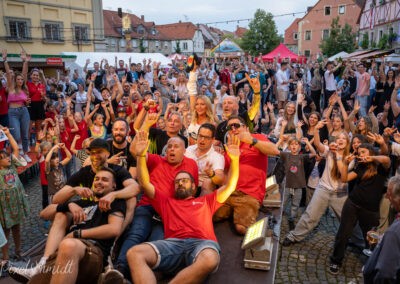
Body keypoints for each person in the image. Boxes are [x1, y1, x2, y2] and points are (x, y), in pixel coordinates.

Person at [126, 130, 240, 284]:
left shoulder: (205, 201)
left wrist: (235, 160)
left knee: (210, 258)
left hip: (202, 243)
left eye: (185, 180)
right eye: (177, 182)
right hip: (172, 244)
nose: (180, 183)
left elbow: (230, 186)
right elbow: (145, 183)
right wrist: (140, 157)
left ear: (194, 187)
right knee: (134, 253)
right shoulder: (166, 202)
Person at [9, 167, 126, 284]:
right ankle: (42, 264)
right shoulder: (82, 203)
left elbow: (114, 229)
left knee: (68, 245)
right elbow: (44, 213)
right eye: (97, 179)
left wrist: (76, 234)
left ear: (114, 186)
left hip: (92, 252)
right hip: (62, 255)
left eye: (105, 180)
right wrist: (68, 205)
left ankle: (101, 275)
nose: (99, 182)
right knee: (61, 214)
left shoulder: (114, 202)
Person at [112, 136, 198, 279]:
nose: (171, 149)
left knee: (155, 243)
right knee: (136, 234)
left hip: (169, 212)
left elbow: (191, 191)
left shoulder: (191, 164)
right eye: (169, 146)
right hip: (147, 206)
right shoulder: (157, 159)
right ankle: (119, 270)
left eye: (176, 146)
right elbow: (135, 150)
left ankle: (142, 275)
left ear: (184, 150)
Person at [328, 143, 390, 274]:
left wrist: (372, 158)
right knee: (343, 233)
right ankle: (336, 260)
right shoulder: (361, 166)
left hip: (370, 210)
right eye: (359, 153)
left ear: (371, 151)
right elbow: (344, 179)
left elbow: (387, 159)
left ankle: (371, 264)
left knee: (370, 238)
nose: (361, 155)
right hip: (352, 204)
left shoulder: (380, 167)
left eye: (363, 152)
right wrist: (345, 164)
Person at [213, 116, 279, 234]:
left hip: (249, 194)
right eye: (229, 127)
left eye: (236, 125)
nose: (233, 129)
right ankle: (233, 212)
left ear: (246, 128)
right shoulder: (230, 145)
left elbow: (275, 151)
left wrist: (251, 141)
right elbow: (225, 174)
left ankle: (261, 228)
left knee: (241, 228)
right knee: (208, 215)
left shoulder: (256, 138)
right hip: (230, 193)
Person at [363, 175, 400, 283]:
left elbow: (385, 272)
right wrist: (381, 239)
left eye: (390, 194)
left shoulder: (394, 232)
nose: (387, 197)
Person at [0, 127, 29, 265]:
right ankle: (5, 257)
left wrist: (8, 134)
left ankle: (18, 252)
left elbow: (16, 149)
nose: (7, 158)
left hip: (15, 203)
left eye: (7, 156)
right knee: (4, 232)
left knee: (16, 228)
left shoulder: (12, 166)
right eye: (3, 157)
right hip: (4, 206)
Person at [3, 50, 32, 163]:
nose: (20, 80)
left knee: (25, 135)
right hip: (13, 112)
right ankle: (14, 153)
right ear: (15, 80)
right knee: (16, 135)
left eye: (21, 79)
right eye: (18, 79)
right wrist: (5, 60)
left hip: (24, 111)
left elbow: (24, 73)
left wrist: (25, 62)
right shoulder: (11, 88)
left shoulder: (24, 89)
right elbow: (8, 73)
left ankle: (25, 153)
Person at [184, 123, 225, 196]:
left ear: (213, 140)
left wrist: (211, 173)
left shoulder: (217, 156)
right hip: (187, 184)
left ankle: (203, 206)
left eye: (206, 137)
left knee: (208, 183)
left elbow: (220, 179)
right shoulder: (189, 150)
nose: (202, 140)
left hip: (203, 188)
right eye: (200, 136)